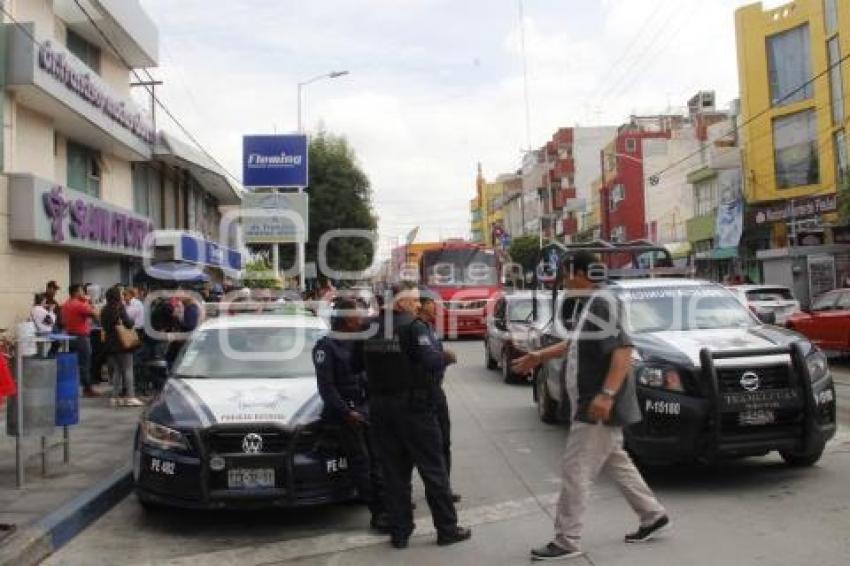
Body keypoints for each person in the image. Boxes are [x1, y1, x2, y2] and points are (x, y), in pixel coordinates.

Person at [522, 252, 669, 561]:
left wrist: (606, 395)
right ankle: (652, 514)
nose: (562, 281)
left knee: (575, 470)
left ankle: (566, 540)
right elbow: (574, 344)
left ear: (577, 273)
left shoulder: (602, 302)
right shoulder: (590, 303)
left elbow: (623, 351)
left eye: (564, 274)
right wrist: (538, 357)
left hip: (595, 407)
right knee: (617, 461)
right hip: (591, 403)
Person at [363, 282, 471, 549]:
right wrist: (446, 356)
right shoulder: (413, 326)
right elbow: (432, 361)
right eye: (413, 301)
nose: (417, 306)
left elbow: (357, 365)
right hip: (414, 409)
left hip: (380, 408)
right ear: (400, 303)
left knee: (394, 473)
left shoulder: (367, 329)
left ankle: (400, 533)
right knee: (433, 469)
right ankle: (447, 529)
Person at [312, 297, 388, 532]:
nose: (362, 320)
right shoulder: (326, 347)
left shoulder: (358, 342)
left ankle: (387, 505)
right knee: (362, 463)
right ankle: (377, 513)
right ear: (346, 320)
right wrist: (347, 412)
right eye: (357, 317)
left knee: (378, 461)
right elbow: (327, 388)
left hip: (365, 409)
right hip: (345, 415)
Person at [417, 293, 460, 502]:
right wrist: (445, 358)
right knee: (430, 446)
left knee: (444, 442)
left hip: (436, 391)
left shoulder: (430, 329)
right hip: (424, 394)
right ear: (422, 305)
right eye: (432, 304)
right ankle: (436, 489)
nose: (435, 308)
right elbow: (431, 359)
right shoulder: (416, 329)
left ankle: (445, 488)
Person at [101, 286, 142, 407]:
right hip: (122, 343)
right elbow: (129, 324)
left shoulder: (104, 309)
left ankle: (114, 397)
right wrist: (131, 321)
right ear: (117, 296)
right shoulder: (120, 307)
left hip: (110, 343)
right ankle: (130, 396)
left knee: (117, 371)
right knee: (128, 369)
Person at [62, 284, 99, 397]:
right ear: (76, 292)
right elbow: (96, 314)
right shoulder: (79, 305)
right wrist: (89, 302)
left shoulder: (66, 304)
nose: (83, 293)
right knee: (85, 363)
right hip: (81, 337)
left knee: (74, 364)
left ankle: (75, 386)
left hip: (69, 335)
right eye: (82, 291)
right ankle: (87, 388)